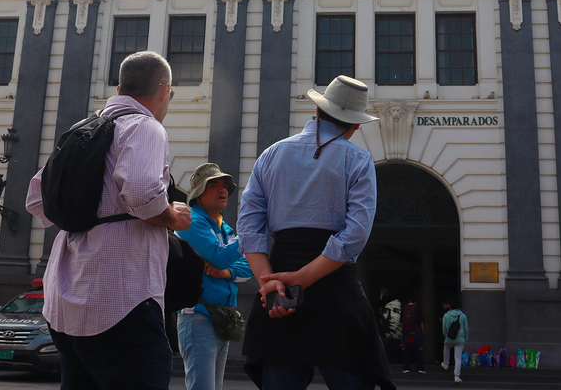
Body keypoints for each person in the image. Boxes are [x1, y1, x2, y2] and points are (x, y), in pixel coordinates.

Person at [26, 51, 191, 390]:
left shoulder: (81, 129)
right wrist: (173, 216)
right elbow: (143, 193)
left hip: (65, 300)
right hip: (123, 298)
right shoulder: (145, 127)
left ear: (119, 87)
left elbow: (35, 198)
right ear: (164, 89)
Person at [237, 75, 395, 390]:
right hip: (334, 284)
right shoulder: (358, 159)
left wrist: (270, 283)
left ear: (318, 111)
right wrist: (304, 278)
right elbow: (356, 233)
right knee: (352, 378)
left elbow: (248, 223)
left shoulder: (271, 154)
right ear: (355, 125)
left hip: (278, 279)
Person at [176, 163, 252, 390]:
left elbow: (248, 266)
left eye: (225, 186)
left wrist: (226, 272)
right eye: (214, 185)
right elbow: (220, 255)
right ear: (199, 193)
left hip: (219, 319)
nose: (223, 190)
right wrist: (248, 235)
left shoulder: (224, 227)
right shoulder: (191, 221)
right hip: (199, 319)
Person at [441, 302, 468, 384]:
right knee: (458, 358)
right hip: (460, 339)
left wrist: (446, 336)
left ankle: (445, 364)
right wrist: (465, 339)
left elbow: (444, 329)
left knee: (446, 348)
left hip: (449, 338)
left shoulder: (446, 315)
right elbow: (466, 329)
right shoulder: (463, 316)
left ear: (450, 306)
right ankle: (457, 376)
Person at [400, 297, 426, 374]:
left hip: (406, 332)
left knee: (407, 350)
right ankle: (420, 368)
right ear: (415, 302)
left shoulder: (404, 309)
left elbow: (401, 322)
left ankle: (406, 368)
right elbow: (421, 321)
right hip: (416, 332)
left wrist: (403, 331)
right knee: (418, 350)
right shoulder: (417, 309)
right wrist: (422, 331)